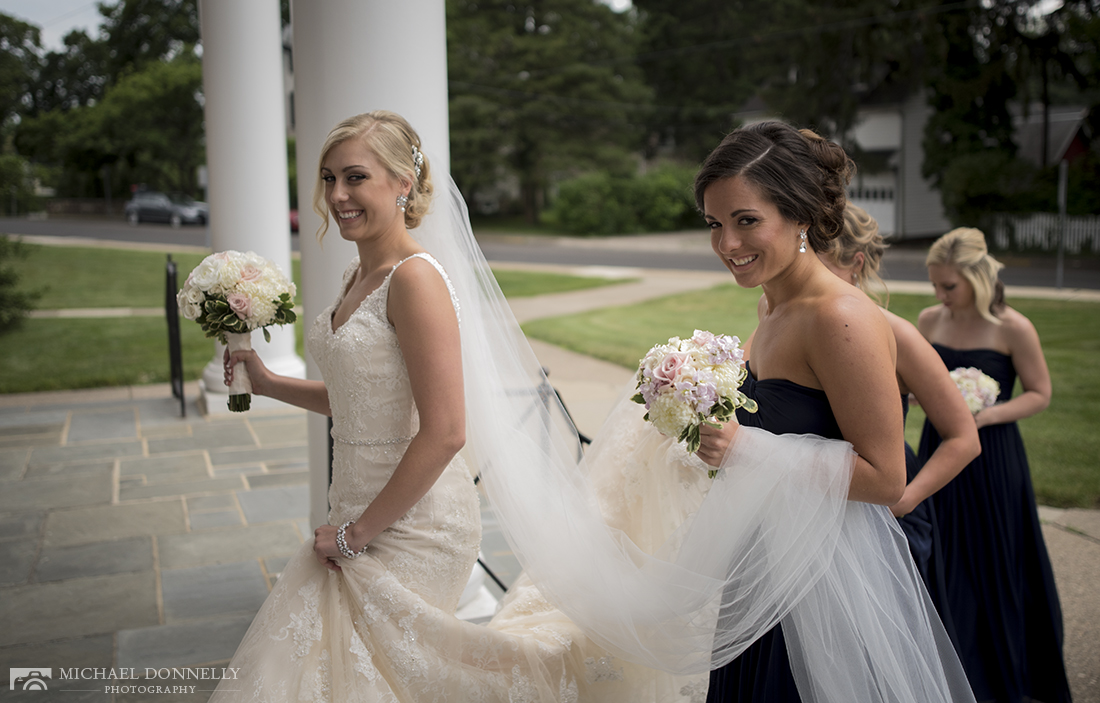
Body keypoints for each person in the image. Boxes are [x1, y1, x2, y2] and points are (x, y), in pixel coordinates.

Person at [208, 110, 704, 702]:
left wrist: (357, 534)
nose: (337, 195)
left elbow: (444, 430)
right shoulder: (354, 275)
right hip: (357, 508)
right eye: (328, 178)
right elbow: (362, 404)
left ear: (403, 183)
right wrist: (267, 383)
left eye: (356, 177)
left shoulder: (415, 280)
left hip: (413, 522)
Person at [689, 122, 974, 702]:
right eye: (715, 224)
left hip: (819, 587)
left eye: (746, 221)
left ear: (799, 218)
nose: (726, 244)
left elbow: (886, 478)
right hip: (764, 561)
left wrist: (748, 448)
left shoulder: (841, 317)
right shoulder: (773, 304)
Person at [917, 227, 1072, 703]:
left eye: (950, 286)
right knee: (938, 553)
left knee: (995, 557)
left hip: (993, 456)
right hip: (938, 447)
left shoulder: (1013, 327)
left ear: (978, 279)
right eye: (936, 285)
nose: (941, 295)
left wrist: (985, 414)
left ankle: (1002, 672)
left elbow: (1040, 394)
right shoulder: (927, 320)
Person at [817, 205, 979, 592]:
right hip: (811, 503)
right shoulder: (778, 313)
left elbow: (963, 438)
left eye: (821, 268)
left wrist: (905, 500)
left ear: (855, 264)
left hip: (882, 509)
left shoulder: (897, 335)